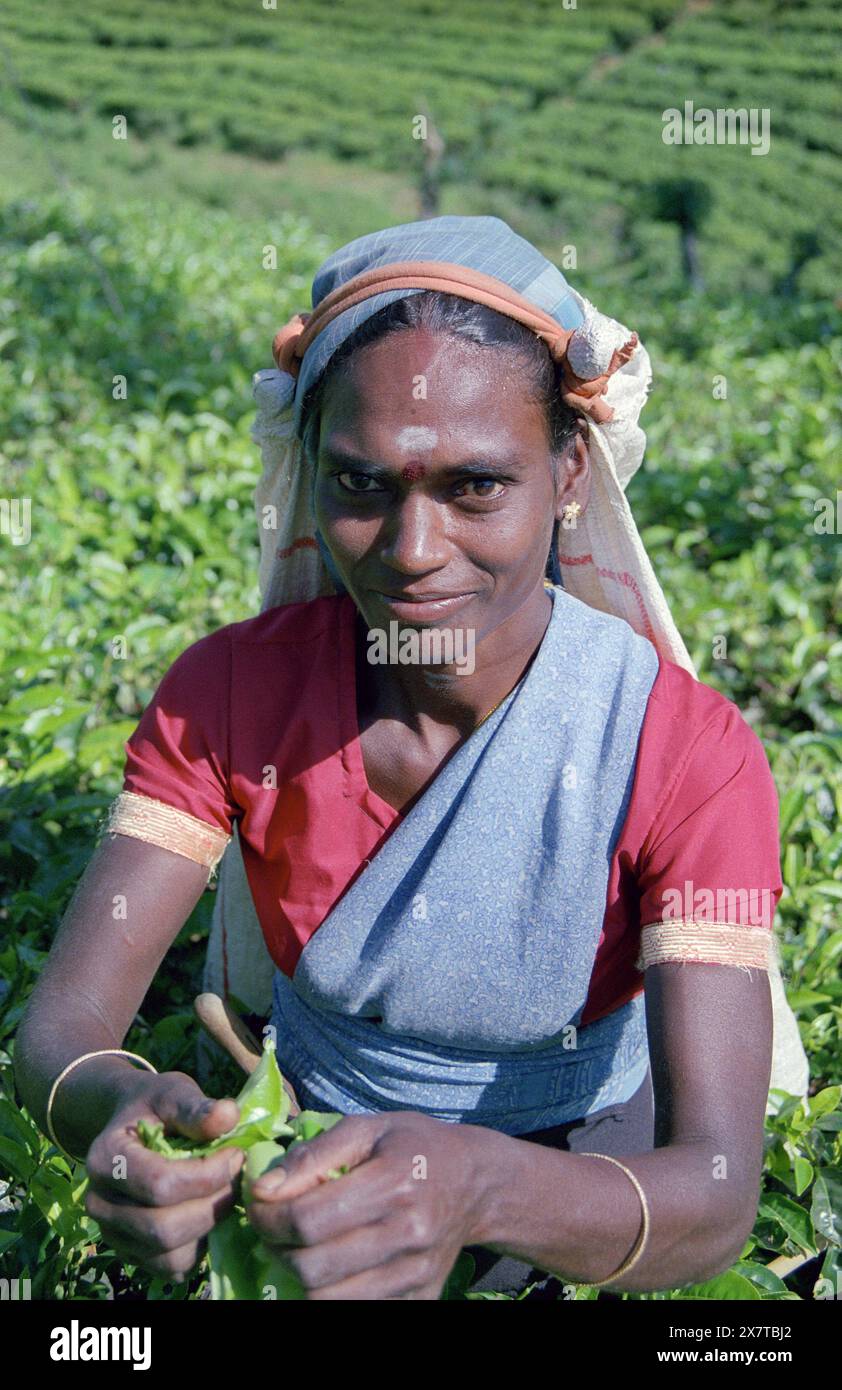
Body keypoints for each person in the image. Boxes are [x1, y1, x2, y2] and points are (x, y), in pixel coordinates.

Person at [14, 216, 807, 1301]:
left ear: (568, 471)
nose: (413, 551)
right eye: (361, 487)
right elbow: (61, 1030)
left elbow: (709, 1194)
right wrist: (112, 1102)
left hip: (584, 1163)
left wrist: (476, 1187)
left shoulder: (686, 753)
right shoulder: (228, 696)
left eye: (475, 486)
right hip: (300, 1140)